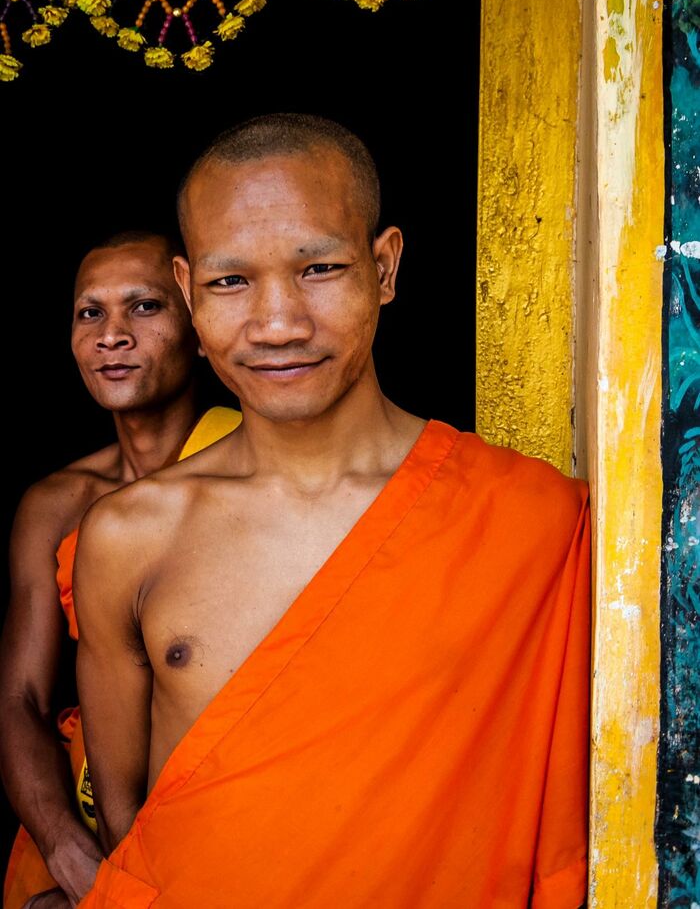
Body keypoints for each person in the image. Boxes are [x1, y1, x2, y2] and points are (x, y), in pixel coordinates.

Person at [75, 115, 590, 909]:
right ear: (186, 289)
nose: (279, 323)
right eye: (230, 282)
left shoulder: (529, 520)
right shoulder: (129, 538)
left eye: (318, 268)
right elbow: (125, 831)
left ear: (384, 268)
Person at [0, 231, 241, 909]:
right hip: (82, 816)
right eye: (90, 313)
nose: (112, 336)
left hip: (222, 810)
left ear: (199, 331)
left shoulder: (259, 473)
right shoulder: (56, 503)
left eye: (144, 306)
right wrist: (66, 851)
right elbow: (21, 700)